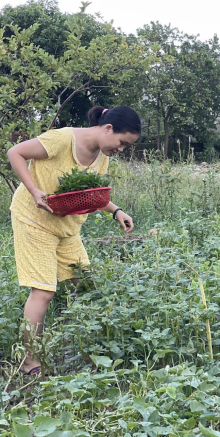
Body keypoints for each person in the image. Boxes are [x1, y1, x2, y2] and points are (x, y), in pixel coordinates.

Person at [7, 106, 140, 375]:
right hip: (34, 219)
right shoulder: (62, 139)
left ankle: (87, 345)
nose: (121, 150)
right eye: (122, 143)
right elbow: (15, 152)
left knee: (87, 285)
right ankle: (29, 362)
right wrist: (34, 191)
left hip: (66, 226)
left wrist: (116, 211)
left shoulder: (102, 157)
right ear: (108, 128)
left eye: (127, 147)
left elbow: (90, 193)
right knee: (43, 291)